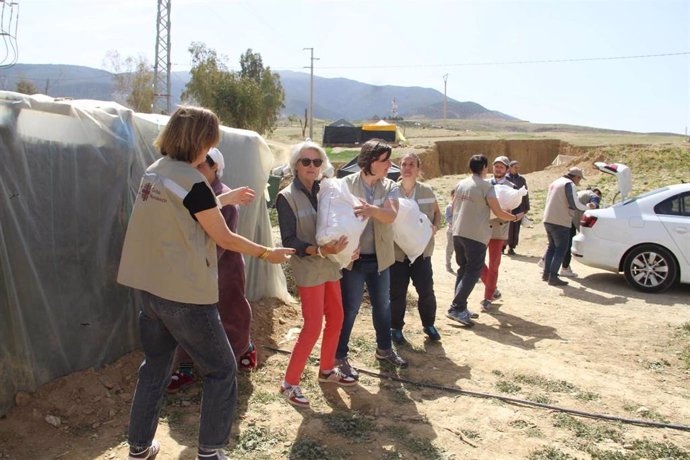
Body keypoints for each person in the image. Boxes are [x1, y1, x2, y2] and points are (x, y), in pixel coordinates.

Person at [117, 106, 293, 460]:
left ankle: (138, 447)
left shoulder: (155, 171)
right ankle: (211, 452)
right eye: (209, 143)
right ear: (198, 141)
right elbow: (224, 237)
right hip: (184, 295)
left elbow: (189, 207)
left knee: (155, 366)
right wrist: (265, 253)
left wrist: (225, 198)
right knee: (221, 369)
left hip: (149, 290)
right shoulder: (192, 180)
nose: (208, 151)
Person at [167, 148, 258, 395]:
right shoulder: (187, 192)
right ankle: (185, 366)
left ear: (215, 167)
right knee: (188, 320)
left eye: (201, 167)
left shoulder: (224, 198)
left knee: (231, 313)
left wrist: (196, 270)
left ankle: (240, 351)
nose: (196, 172)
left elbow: (221, 240)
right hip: (195, 269)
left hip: (223, 269)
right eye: (192, 167)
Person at [275, 140, 356, 407]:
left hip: (330, 263)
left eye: (317, 162)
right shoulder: (286, 196)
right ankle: (289, 383)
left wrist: (347, 250)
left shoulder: (326, 191)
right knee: (312, 326)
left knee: (337, 317)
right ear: (295, 165)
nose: (312, 166)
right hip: (309, 266)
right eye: (306, 161)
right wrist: (320, 251)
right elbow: (289, 240)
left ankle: (325, 370)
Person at [335, 139, 407, 380]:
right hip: (353, 261)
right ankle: (339, 356)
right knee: (350, 308)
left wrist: (372, 210)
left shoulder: (390, 186)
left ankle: (384, 349)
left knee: (382, 306)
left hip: (380, 258)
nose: (389, 165)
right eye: (384, 160)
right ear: (369, 161)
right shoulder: (345, 185)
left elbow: (391, 215)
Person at [447, 154, 523, 327]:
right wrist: (514, 217)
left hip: (458, 232)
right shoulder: (486, 187)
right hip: (475, 235)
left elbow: (453, 207)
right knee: (473, 272)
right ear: (484, 168)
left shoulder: (461, 184)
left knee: (463, 270)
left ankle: (460, 306)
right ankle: (456, 308)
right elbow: (498, 212)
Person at [390, 153, 442, 344]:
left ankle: (429, 325)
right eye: (404, 164)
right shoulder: (391, 191)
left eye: (412, 164)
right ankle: (395, 328)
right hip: (397, 254)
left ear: (418, 169)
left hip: (422, 253)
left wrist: (436, 226)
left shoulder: (427, 191)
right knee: (397, 293)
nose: (407, 167)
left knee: (426, 291)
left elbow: (437, 212)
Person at [542, 166, 593, 286]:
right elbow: (574, 204)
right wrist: (587, 207)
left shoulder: (556, 182)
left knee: (552, 248)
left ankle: (546, 273)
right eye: (579, 179)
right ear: (576, 177)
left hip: (548, 219)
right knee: (561, 250)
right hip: (560, 221)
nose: (579, 181)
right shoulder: (569, 184)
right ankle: (553, 277)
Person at [478, 156, 516, 312]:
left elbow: (513, 207)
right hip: (484, 227)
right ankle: (492, 288)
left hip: (499, 229)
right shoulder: (485, 184)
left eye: (502, 167)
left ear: (507, 170)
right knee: (477, 261)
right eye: (496, 166)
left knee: (494, 264)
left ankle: (487, 297)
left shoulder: (511, 186)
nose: (498, 169)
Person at [559, 187, 602, 278]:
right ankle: (565, 268)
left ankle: (544, 261)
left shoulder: (580, 193)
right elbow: (595, 204)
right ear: (597, 193)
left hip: (565, 217)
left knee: (559, 243)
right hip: (573, 220)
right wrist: (593, 205)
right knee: (567, 245)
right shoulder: (594, 195)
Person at [505, 160, 530, 255]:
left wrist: (526, 207)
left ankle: (511, 247)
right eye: (515, 167)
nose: (517, 169)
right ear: (510, 167)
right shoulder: (505, 179)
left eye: (518, 168)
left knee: (515, 228)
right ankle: (502, 246)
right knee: (506, 227)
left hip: (518, 207)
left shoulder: (521, 179)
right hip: (507, 207)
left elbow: (525, 193)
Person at [445, 189, 456, 273]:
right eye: (454, 196)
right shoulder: (449, 207)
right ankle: (448, 265)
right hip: (451, 231)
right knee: (450, 249)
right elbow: (448, 218)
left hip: (460, 232)